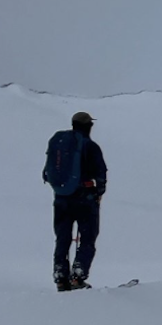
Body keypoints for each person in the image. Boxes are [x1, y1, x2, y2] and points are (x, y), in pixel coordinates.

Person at [43, 111, 107, 291]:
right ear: (89, 126)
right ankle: (78, 276)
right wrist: (99, 191)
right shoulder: (90, 146)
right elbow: (100, 173)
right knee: (87, 237)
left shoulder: (61, 145)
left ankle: (60, 276)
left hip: (61, 197)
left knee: (62, 237)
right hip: (85, 197)